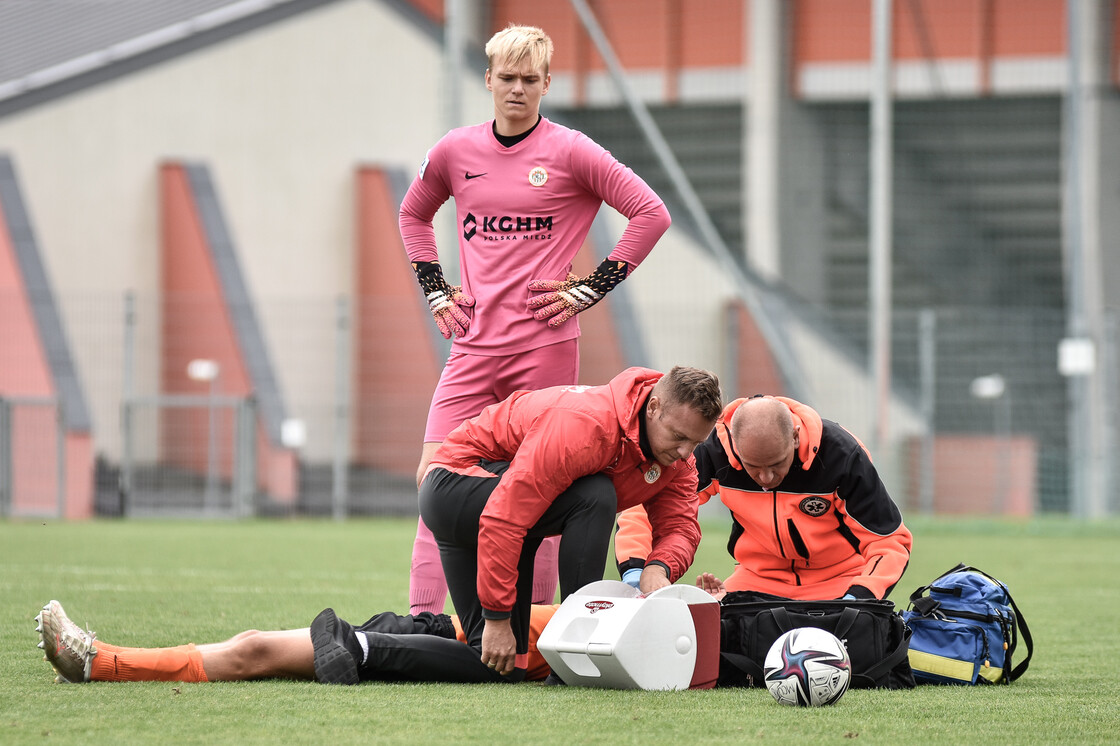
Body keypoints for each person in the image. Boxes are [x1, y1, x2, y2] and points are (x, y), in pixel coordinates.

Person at [398, 23, 672, 616]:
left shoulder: (573, 151)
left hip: (543, 353)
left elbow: (651, 214)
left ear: (547, 83)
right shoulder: (453, 151)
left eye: (530, 79)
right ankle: (421, 618)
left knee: (544, 485)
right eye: (507, 78)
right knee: (433, 479)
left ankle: (541, 620)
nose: (517, 90)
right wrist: (437, 291)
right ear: (488, 80)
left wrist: (590, 290)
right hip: (470, 347)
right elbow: (413, 216)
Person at [419, 365, 722, 680]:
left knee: (501, 668)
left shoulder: (678, 460)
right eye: (678, 436)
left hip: (507, 513)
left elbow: (680, 529)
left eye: (695, 443)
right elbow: (505, 515)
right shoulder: (587, 424)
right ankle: (575, 646)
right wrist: (497, 617)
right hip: (456, 484)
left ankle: (366, 647)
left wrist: (657, 568)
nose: (686, 452)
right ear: (654, 407)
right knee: (596, 495)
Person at [615, 394, 913, 601]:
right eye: (753, 467)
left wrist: (860, 597)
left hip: (840, 583)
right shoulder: (715, 451)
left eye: (776, 464)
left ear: (795, 437)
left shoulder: (842, 455)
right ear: (734, 446)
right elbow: (645, 509)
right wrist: (636, 573)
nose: (766, 479)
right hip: (756, 582)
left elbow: (888, 541)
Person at [34, 599, 556, 685]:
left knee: (254, 650)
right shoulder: (622, 597)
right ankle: (102, 661)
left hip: (457, 647)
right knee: (251, 643)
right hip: (437, 625)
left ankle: (101, 663)